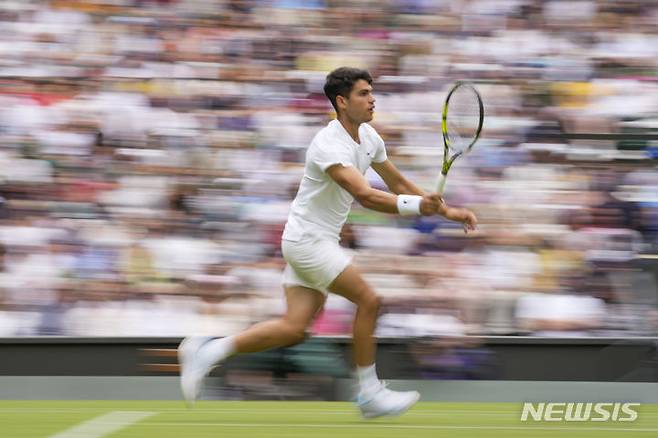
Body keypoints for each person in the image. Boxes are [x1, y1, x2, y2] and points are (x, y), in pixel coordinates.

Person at [178, 67, 477, 418]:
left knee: (293, 329)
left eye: (371, 92)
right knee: (370, 300)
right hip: (308, 241)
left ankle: (208, 350)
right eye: (364, 93)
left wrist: (447, 212)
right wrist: (416, 207)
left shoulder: (369, 137)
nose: (372, 98)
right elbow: (364, 195)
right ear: (341, 101)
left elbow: (399, 184)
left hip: (312, 241)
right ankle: (369, 393)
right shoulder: (327, 144)